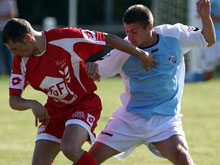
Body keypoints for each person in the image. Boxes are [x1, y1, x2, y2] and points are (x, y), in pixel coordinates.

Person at [2, 18, 157, 165]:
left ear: (28, 38)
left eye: (15, 48)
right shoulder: (21, 62)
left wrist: (140, 54)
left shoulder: (65, 38)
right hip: (55, 111)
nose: (14, 54)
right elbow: (13, 99)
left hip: (83, 104)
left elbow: (107, 38)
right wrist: (32, 103)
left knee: (69, 148)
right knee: (39, 163)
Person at [86, 1, 215, 165]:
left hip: (165, 121)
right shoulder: (123, 50)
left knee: (184, 159)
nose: (130, 37)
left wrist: (205, 17)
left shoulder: (174, 34)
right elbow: (97, 71)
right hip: (129, 120)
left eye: (134, 31)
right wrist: (90, 66)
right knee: (88, 161)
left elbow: (208, 40)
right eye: (127, 32)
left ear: (149, 26)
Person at [185, 0, 220, 82]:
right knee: (208, 75)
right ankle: (185, 79)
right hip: (210, 39)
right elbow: (198, 14)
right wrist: (214, 18)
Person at [0, 0, 18, 75]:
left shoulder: (10, 2)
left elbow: (12, 14)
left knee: (8, 52)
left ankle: (11, 71)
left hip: (7, 30)